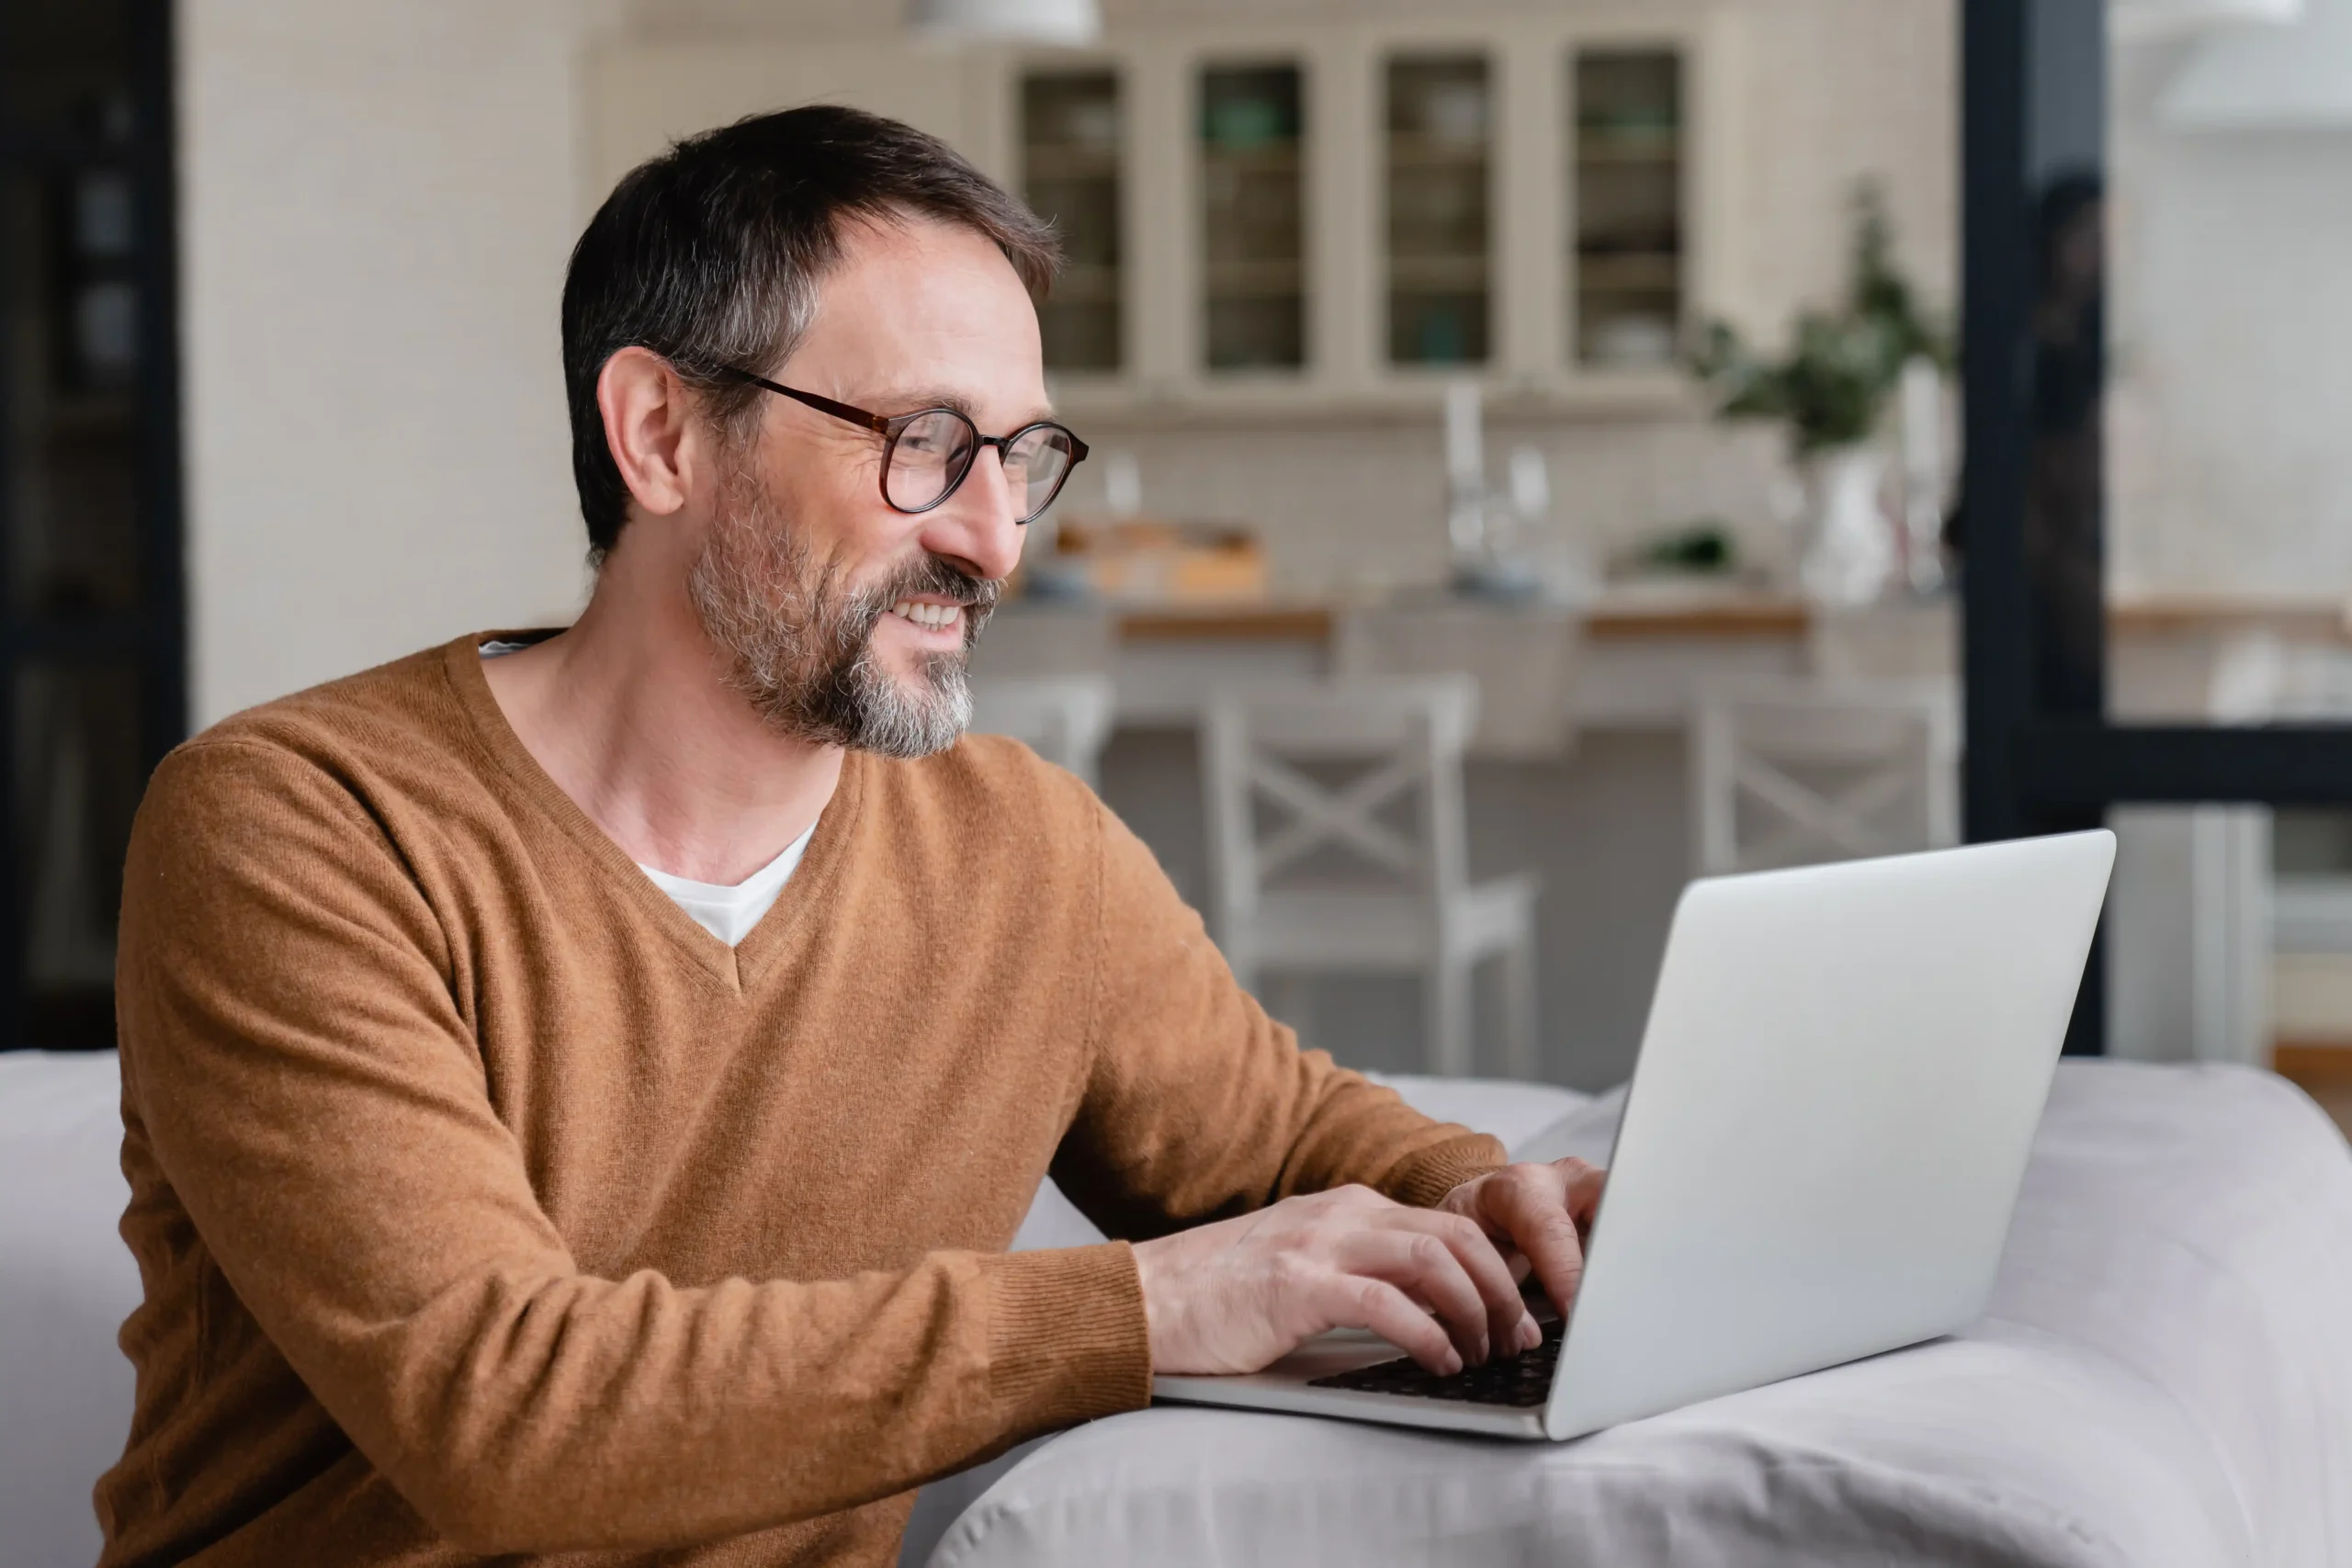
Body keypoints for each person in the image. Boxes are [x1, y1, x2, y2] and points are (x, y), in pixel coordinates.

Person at [99, 106, 1603, 1568]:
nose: (996, 536)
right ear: (662, 433)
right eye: (930, 440)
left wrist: (1491, 1203)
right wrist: (1142, 1309)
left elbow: (1276, 1144)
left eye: (1021, 454)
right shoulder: (297, 829)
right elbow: (504, 1410)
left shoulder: (1024, 852)